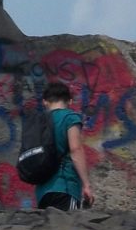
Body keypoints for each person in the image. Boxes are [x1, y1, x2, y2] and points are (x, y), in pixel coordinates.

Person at [34, 79, 95, 212]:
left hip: (42, 193)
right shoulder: (70, 117)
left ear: (45, 101)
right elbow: (75, 149)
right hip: (65, 187)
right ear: (70, 101)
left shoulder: (37, 123)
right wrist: (86, 185)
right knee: (68, 225)